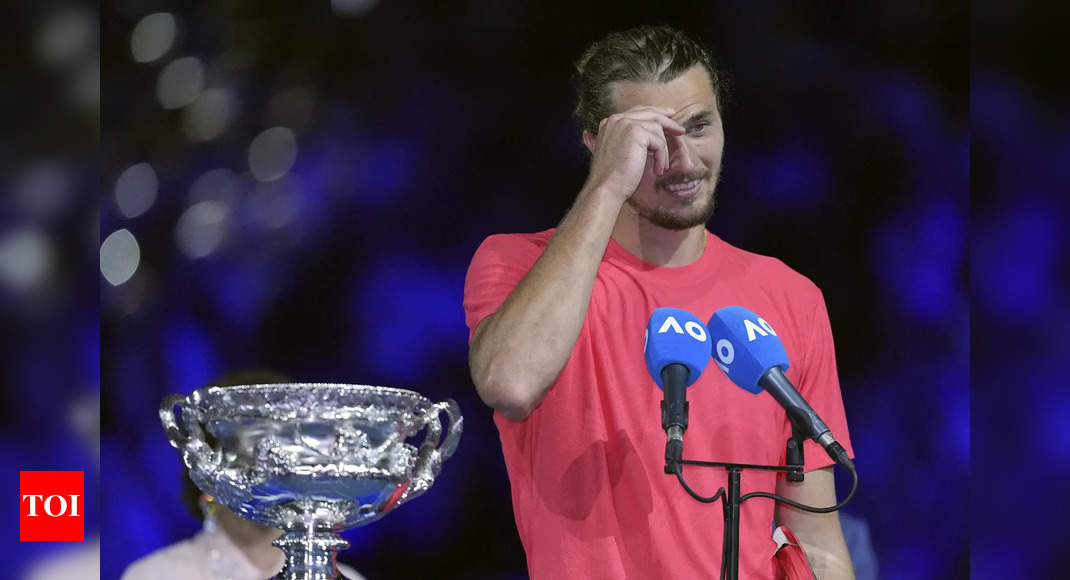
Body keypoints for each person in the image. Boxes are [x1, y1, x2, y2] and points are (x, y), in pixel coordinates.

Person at [463, 25, 856, 579]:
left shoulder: (790, 295)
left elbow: (817, 542)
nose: (684, 159)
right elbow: (511, 383)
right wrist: (606, 187)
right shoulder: (517, 265)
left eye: (699, 127)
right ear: (595, 143)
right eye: (652, 140)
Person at [122, 372, 365, 580]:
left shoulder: (343, 577)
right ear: (206, 468)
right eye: (252, 448)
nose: (270, 470)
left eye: (286, 447)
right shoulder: (157, 574)